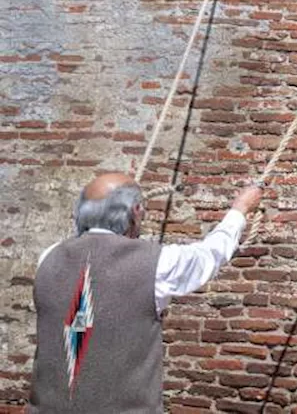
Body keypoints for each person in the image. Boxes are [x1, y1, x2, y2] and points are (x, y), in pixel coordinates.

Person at [29, 172, 263, 413]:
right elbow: (208, 255)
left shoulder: (49, 256)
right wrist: (239, 209)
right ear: (135, 211)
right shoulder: (157, 262)